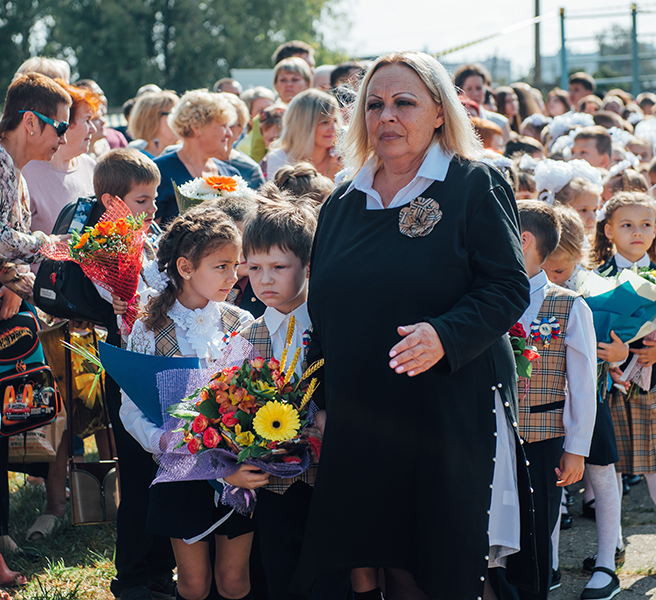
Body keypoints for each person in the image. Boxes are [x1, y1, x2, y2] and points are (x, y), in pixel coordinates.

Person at [294, 51, 534, 600]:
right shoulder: (342, 201)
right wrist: (324, 399)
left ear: (440, 114)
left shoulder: (473, 184)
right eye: (375, 104)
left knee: (449, 561)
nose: (387, 116)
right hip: (366, 412)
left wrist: (445, 334)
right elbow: (325, 313)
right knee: (385, 555)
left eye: (405, 102)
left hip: (450, 404)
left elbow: (507, 287)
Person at [120, 205, 263, 600]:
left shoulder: (243, 323)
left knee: (235, 581)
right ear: (185, 267)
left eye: (236, 266)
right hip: (182, 472)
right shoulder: (149, 330)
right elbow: (130, 406)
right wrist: (158, 439)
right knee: (194, 584)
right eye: (222, 267)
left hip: (238, 473)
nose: (235, 278)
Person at [493, 201, 596, 600]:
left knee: (535, 534)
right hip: (489, 435)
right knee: (491, 533)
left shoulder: (569, 305)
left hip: (543, 439)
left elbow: (584, 384)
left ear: (523, 241)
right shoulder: (483, 297)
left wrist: (576, 449)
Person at [238, 197, 332, 600]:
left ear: (308, 267)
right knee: (278, 576)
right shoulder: (246, 336)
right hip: (273, 484)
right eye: (255, 268)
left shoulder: (333, 326)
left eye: (279, 267)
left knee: (329, 576)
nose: (265, 280)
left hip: (330, 479)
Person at [543, 205, 626, 600]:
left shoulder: (593, 290)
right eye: (544, 269)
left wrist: (618, 351)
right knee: (551, 483)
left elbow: (619, 343)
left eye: (559, 272)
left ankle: (608, 560)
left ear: (579, 257)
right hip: (544, 403)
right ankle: (550, 561)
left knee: (602, 476)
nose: (551, 278)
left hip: (591, 399)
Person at [0, 72, 71, 303]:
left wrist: (62, 309)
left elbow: (6, 266)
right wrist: (49, 244)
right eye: (61, 128)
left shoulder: (17, 173)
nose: (64, 140)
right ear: (30, 122)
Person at [23, 81, 101, 237]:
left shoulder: (92, 167)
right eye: (86, 120)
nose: (93, 128)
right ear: (64, 124)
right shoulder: (26, 174)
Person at [152, 89, 240, 226]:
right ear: (196, 127)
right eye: (223, 126)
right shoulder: (159, 172)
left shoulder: (232, 174)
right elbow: (148, 231)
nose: (229, 134)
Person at [263, 89, 341, 182]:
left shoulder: (341, 156)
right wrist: (329, 178)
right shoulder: (279, 158)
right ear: (303, 125)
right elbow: (283, 196)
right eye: (325, 122)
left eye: (335, 121)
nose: (333, 128)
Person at [219, 93, 265, 189]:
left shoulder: (250, 169)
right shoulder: (189, 162)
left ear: (240, 131)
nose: (224, 131)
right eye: (220, 124)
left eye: (230, 124)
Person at [126, 90, 180, 159]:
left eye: (178, 114)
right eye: (172, 114)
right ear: (152, 120)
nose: (179, 119)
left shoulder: (187, 153)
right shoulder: (135, 158)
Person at [236, 87, 276, 162]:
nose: (266, 115)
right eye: (260, 111)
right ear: (248, 116)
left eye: (270, 109)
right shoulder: (243, 147)